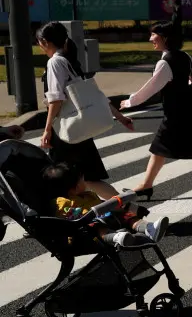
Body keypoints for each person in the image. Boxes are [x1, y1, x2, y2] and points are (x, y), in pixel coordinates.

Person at [121, 22, 192, 201]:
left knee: (164, 147)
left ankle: (146, 186)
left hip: (175, 116)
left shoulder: (165, 62)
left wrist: (129, 102)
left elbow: (150, 88)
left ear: (165, 38)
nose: (151, 39)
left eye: (154, 35)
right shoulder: (185, 56)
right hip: (189, 113)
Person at [36, 21, 132, 199]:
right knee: (88, 179)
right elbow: (93, 95)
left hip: (67, 131)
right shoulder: (69, 61)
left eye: (38, 42)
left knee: (66, 180)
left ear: (44, 41)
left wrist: (47, 129)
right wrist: (119, 116)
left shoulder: (55, 63)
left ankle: (124, 212)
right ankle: (129, 210)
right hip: (80, 127)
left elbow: (56, 99)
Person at [44, 161, 169, 248]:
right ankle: (116, 238)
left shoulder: (88, 194)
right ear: (75, 188)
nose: (84, 180)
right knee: (96, 226)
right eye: (82, 179)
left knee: (127, 215)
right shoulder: (61, 202)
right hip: (84, 230)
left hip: (105, 217)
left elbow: (100, 204)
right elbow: (68, 218)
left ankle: (149, 228)